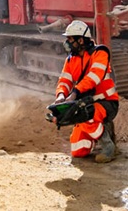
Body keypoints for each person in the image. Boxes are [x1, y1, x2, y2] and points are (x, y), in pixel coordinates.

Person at [51, 19, 119, 163]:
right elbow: (64, 81)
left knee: (86, 114)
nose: (67, 43)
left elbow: (94, 77)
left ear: (81, 40)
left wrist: (75, 92)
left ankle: (108, 147)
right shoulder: (71, 60)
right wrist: (61, 95)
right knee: (78, 151)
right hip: (85, 103)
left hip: (107, 103)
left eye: (70, 39)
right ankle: (102, 130)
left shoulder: (100, 53)